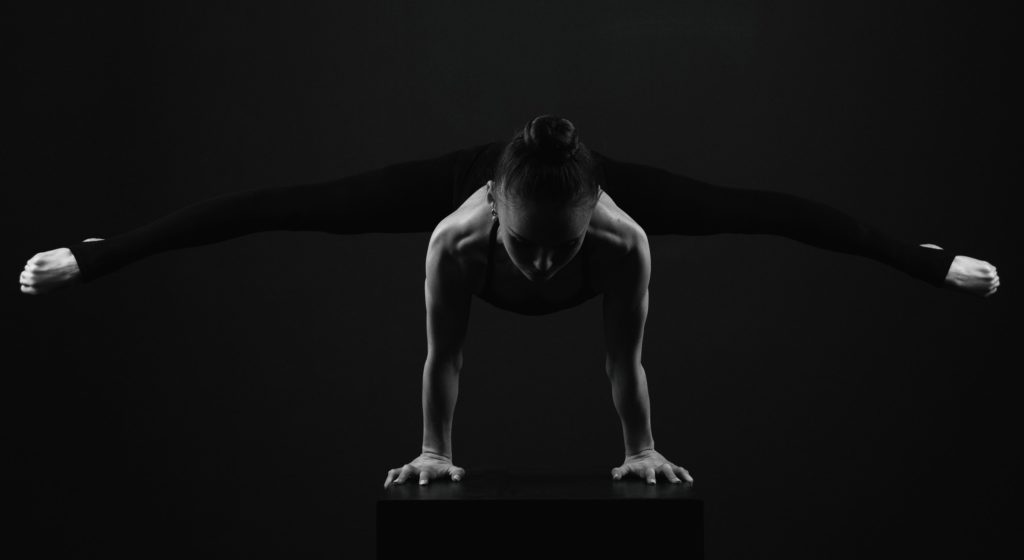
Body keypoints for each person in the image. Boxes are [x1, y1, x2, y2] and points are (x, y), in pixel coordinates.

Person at [19, 115, 999, 488]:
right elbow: (446, 357)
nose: (535, 273)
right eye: (521, 252)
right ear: (493, 216)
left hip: (589, 196)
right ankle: (103, 254)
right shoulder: (455, 235)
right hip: (462, 185)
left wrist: (640, 450)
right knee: (287, 210)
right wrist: (437, 452)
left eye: (555, 254)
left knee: (762, 213)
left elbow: (623, 360)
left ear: (593, 227)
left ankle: (923, 256)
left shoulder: (624, 238)